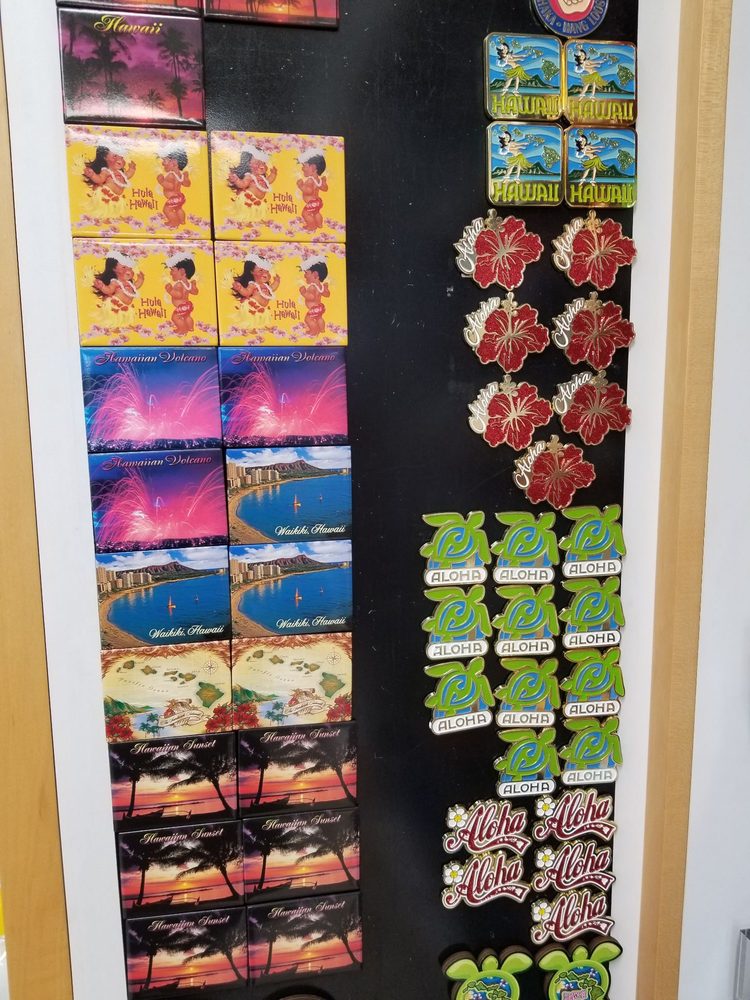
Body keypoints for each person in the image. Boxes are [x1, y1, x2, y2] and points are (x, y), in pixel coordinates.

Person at [164, 253, 198, 335]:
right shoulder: (188, 284)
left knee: (175, 318)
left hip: (182, 307)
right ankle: (190, 327)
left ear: (182, 271)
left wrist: (170, 290)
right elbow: (195, 292)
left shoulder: (179, 284)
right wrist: (194, 285)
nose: (170, 273)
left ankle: (183, 329)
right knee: (187, 316)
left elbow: (179, 295)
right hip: (188, 305)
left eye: (172, 270)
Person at [157, 148, 190, 228]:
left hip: (174, 198)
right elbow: (186, 184)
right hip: (180, 196)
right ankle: (182, 221)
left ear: (174, 162)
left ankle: (174, 222)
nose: (162, 164)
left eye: (165, 160)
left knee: (167, 210)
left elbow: (171, 187)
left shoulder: (171, 175)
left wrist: (161, 181)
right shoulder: (180, 174)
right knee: (178, 208)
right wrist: (186, 177)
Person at [297, 149, 328, 232]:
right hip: (318, 201)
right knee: (316, 212)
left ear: (313, 167)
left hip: (312, 203)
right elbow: (325, 188)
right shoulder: (318, 180)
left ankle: (312, 226)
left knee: (305, 214)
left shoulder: (310, 180)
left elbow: (309, 191)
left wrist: (301, 186)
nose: (302, 169)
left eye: (304, 166)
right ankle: (319, 224)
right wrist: (324, 181)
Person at [299, 256, 330, 337]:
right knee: (319, 318)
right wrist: (326, 288)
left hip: (314, 309)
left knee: (308, 319)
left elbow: (311, 297)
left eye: (306, 273)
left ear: (315, 274)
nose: (304, 276)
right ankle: (322, 329)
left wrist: (303, 293)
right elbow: (327, 294)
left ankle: (314, 331)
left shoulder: (312, 287)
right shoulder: (320, 286)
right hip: (320, 307)